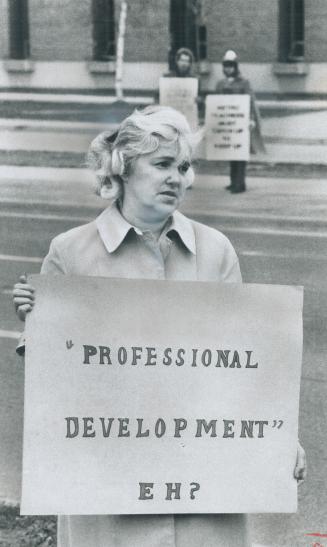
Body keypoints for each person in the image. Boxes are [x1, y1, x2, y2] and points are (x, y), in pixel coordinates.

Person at [13, 105, 306, 547]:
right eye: (163, 164)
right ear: (125, 169)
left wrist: (277, 435)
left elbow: (245, 368)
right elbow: (55, 381)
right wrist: (39, 318)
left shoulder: (215, 250)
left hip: (202, 490)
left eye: (184, 167)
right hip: (110, 488)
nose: (177, 177)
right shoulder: (70, 252)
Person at [216, 50, 266, 194]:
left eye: (231, 65)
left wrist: (251, 119)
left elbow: (250, 101)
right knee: (231, 153)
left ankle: (240, 183)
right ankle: (233, 182)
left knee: (240, 154)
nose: (228, 68)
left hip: (241, 123)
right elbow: (217, 102)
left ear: (236, 66)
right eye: (226, 65)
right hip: (228, 123)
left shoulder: (244, 83)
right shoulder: (220, 84)